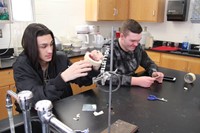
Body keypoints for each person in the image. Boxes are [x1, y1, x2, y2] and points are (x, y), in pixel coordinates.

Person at [13, 23, 103, 112]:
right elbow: (36, 98)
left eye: (51, 44)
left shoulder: (60, 58)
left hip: (61, 111)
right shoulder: (21, 66)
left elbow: (84, 81)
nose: (50, 50)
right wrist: (63, 78)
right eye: (43, 46)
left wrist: (94, 65)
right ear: (31, 47)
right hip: (35, 116)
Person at [102, 19, 164, 88]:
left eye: (138, 40)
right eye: (132, 41)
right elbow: (103, 76)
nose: (136, 44)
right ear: (122, 36)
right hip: (110, 91)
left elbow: (149, 63)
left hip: (129, 89)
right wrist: (136, 81)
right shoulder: (108, 49)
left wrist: (154, 72)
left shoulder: (137, 47)